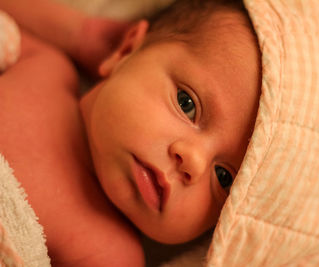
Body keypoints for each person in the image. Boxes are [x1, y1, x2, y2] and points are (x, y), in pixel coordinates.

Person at [0, 0, 261, 265]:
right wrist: (78, 33)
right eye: (187, 104)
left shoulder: (110, 254)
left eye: (225, 177)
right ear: (125, 51)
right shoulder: (45, 69)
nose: (193, 161)